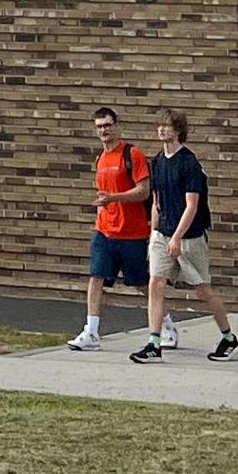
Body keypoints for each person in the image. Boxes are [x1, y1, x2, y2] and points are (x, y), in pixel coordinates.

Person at [132, 112, 238, 362]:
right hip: (163, 233)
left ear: (178, 130)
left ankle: (228, 337)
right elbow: (156, 202)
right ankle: (154, 343)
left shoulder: (189, 163)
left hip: (189, 237)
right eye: (159, 125)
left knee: (202, 289)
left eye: (167, 126)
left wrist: (177, 237)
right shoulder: (157, 162)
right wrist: (153, 235)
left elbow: (192, 205)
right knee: (155, 284)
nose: (161, 130)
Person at [69, 106, 154, 352]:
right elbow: (101, 197)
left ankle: (165, 324)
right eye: (99, 127)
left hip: (132, 233)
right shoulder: (101, 159)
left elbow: (143, 191)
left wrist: (113, 198)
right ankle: (91, 331)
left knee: (141, 284)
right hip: (105, 231)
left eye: (107, 125)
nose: (104, 130)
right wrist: (101, 218)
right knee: (96, 277)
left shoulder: (132, 154)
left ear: (116, 125)